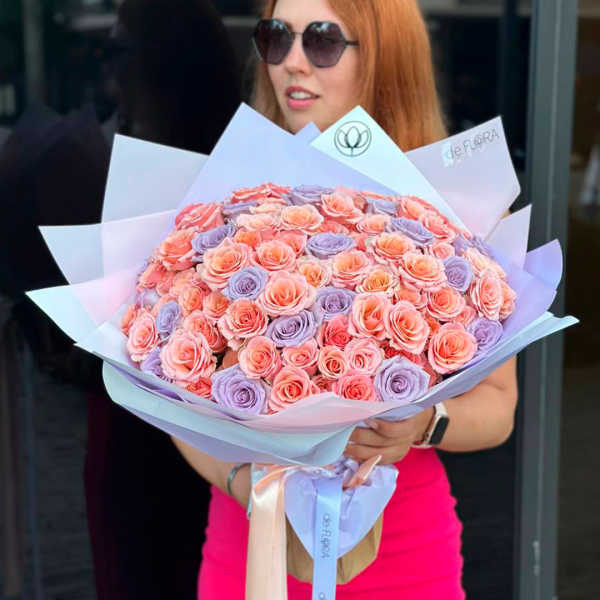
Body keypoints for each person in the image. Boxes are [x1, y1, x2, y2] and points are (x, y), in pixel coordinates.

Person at [171, 0, 518, 598]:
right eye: (276, 37)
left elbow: (498, 408)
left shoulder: (457, 207)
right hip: (252, 541)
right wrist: (244, 482)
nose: (293, 62)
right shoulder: (221, 206)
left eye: (323, 41)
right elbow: (172, 397)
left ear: (385, 56)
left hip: (403, 547)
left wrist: (425, 423)